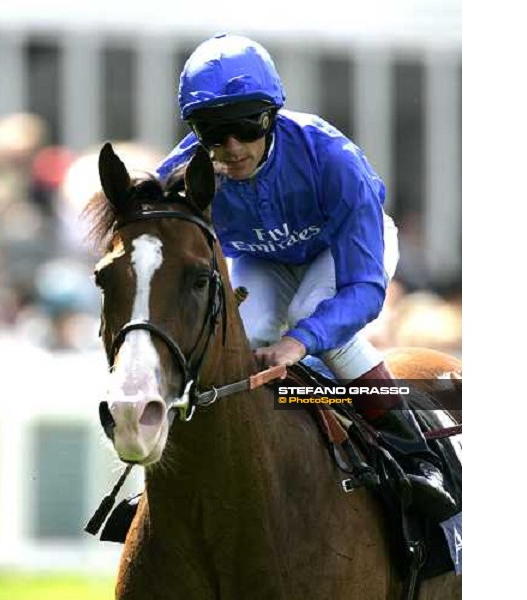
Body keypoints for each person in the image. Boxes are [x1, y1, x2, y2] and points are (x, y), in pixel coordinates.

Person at [157, 33, 456, 521]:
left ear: (271, 115)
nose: (231, 148)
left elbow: (363, 289)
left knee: (312, 322)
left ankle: (419, 459)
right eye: (213, 131)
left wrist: (300, 342)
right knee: (241, 338)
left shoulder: (335, 159)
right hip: (265, 257)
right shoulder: (178, 171)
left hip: (345, 249)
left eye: (245, 126)